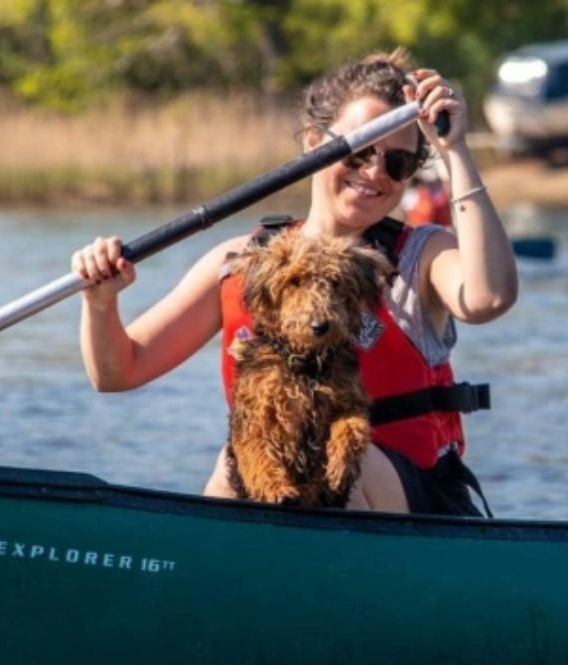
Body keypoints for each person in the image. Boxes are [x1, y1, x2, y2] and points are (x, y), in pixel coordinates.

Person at [72, 50, 518, 516]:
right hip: (288, 486)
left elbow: (489, 298)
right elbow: (117, 372)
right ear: (314, 141)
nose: (374, 173)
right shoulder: (240, 261)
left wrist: (455, 151)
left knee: (346, 456)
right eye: (361, 150)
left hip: (411, 505)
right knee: (233, 465)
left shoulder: (421, 255)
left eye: (397, 164)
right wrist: (100, 302)